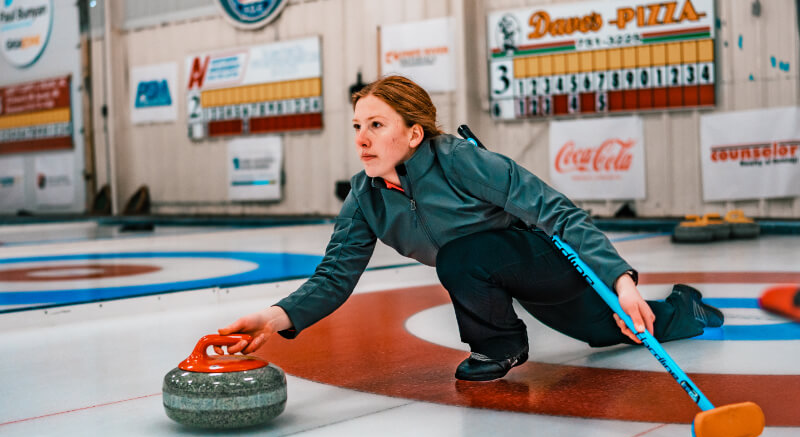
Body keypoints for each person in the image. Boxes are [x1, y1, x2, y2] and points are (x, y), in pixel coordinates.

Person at [218, 75, 724, 382]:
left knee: (601, 315)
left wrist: (621, 279)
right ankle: (676, 309)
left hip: (538, 257)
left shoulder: (458, 161)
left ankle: (505, 344)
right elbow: (334, 277)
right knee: (598, 331)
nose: (363, 139)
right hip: (489, 273)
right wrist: (273, 318)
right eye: (357, 126)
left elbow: (555, 210)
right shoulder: (364, 196)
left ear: (414, 133)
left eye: (377, 125)